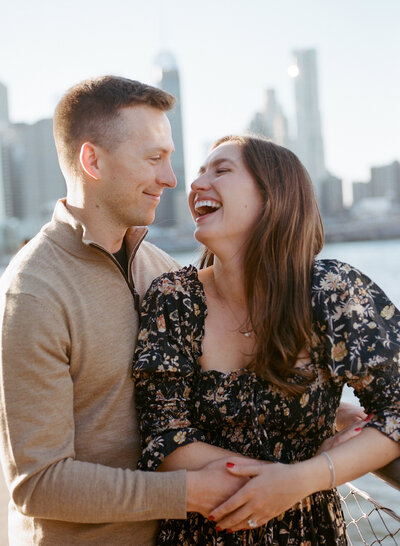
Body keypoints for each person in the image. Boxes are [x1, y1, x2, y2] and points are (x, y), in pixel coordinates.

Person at [0, 77, 250, 545]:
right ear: (92, 160)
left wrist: (330, 413)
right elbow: (38, 485)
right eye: (154, 158)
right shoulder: (33, 293)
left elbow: (218, 380)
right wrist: (189, 492)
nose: (172, 179)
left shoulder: (163, 268)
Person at [132, 135, 400, 545]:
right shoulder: (174, 298)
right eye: (201, 172)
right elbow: (166, 441)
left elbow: (395, 410)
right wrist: (294, 472)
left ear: (273, 195)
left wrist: (300, 479)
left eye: (221, 170)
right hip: (204, 531)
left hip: (311, 532)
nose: (196, 184)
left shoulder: (333, 291)